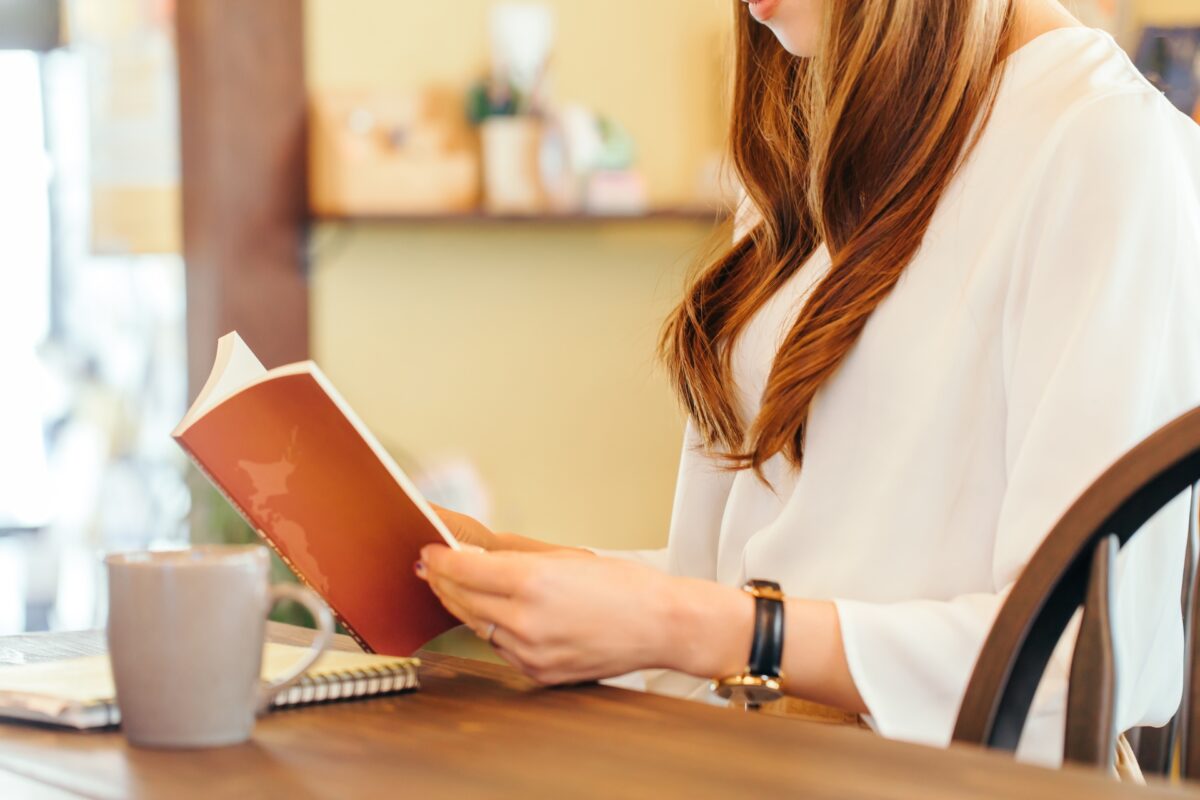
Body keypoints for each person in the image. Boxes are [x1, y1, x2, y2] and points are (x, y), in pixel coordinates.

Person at [415, 0, 1200, 766]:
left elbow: (1076, 664)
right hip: (751, 755)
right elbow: (728, 588)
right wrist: (489, 561)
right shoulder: (812, 136)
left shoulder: (1106, 143)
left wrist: (708, 629)